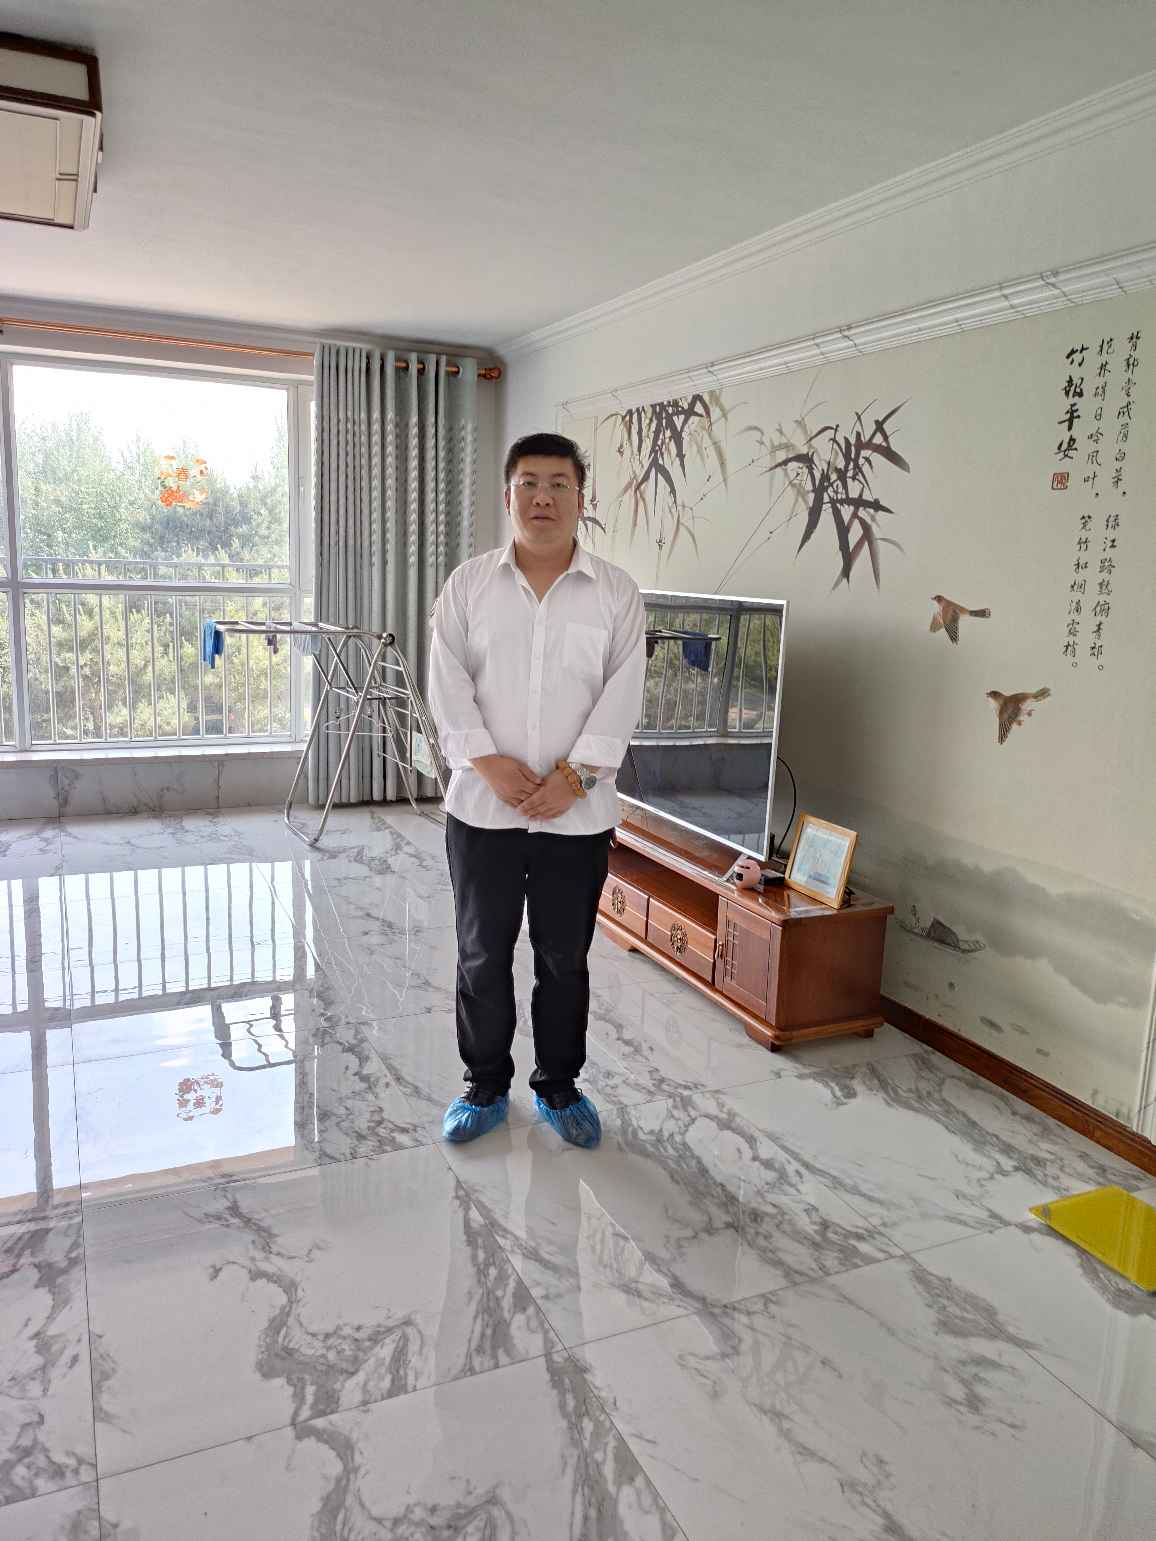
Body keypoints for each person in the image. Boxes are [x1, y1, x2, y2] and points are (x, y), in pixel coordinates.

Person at [427, 432, 646, 1148]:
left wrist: (575, 778)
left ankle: (558, 1084)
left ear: (582, 498)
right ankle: (484, 1083)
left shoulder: (615, 593)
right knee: (481, 952)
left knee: (564, 958)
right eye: (529, 483)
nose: (543, 497)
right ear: (508, 495)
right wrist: (485, 762)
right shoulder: (468, 585)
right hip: (482, 807)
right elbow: (447, 681)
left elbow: (623, 693)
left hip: (575, 815)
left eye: (558, 484)